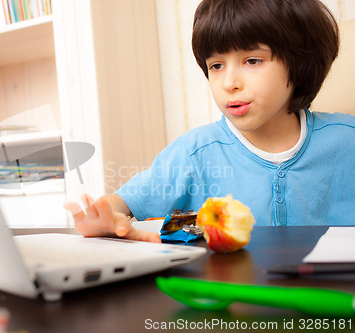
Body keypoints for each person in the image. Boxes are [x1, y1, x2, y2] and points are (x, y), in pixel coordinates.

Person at [64, 0, 355, 243]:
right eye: (216, 66)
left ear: (300, 63)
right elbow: (123, 203)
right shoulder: (193, 152)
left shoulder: (348, 140)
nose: (229, 82)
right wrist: (108, 217)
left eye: (252, 60)